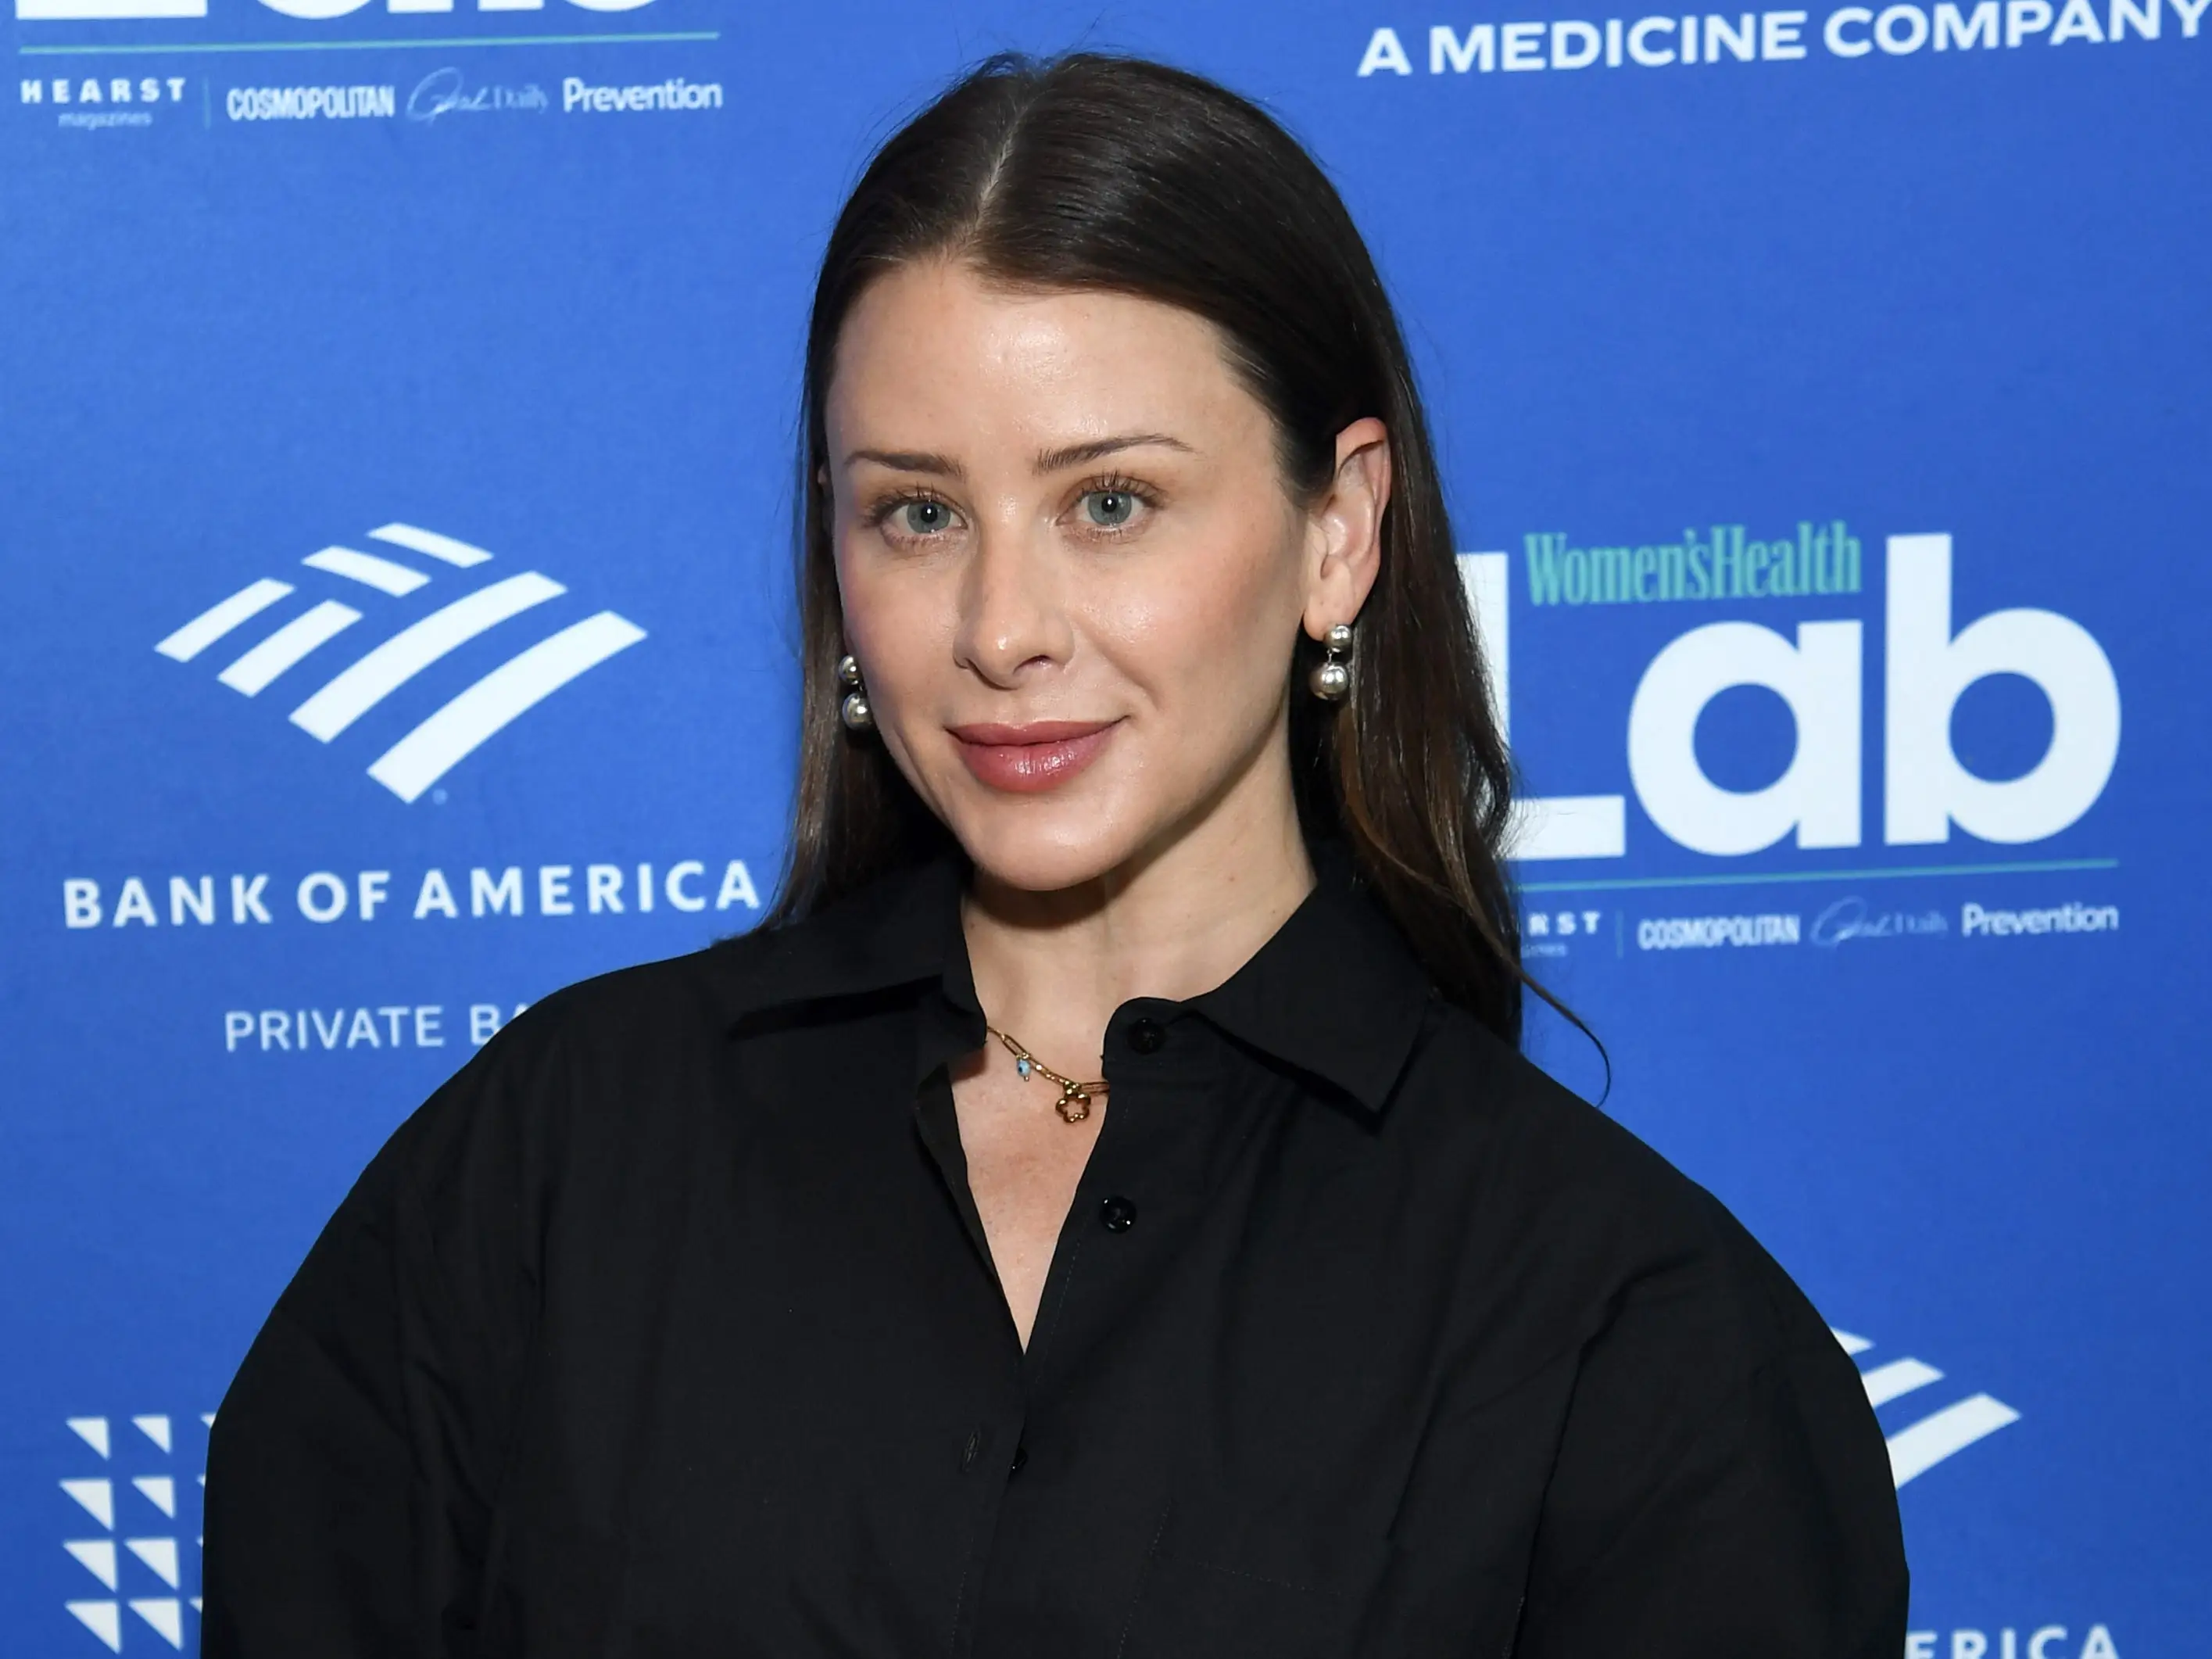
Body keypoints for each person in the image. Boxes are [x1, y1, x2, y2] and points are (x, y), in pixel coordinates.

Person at [202, 52, 1906, 1659]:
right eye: (917, 512)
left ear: (1337, 529)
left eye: (1108, 502)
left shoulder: (1634, 1329)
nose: (1000, 627)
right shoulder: (555, 1167)